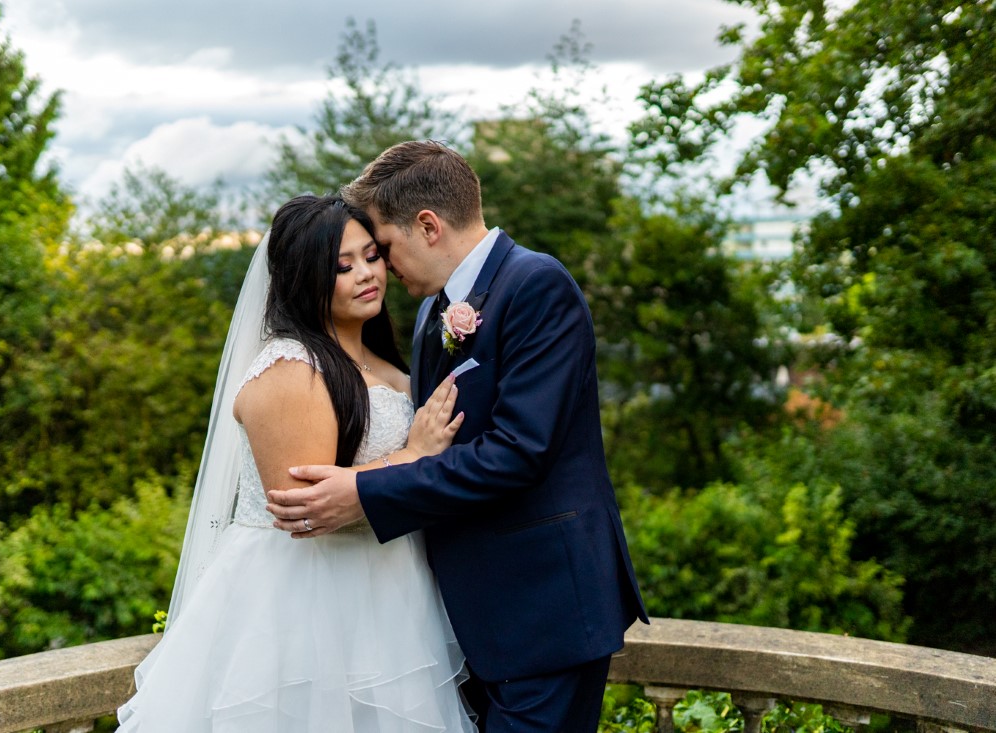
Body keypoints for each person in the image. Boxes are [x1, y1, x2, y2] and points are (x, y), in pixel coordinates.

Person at [266, 141, 650, 732]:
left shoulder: (536, 285)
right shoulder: (431, 315)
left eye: (385, 249)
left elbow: (516, 454)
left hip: (543, 611)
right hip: (465, 624)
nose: (384, 269)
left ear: (428, 225)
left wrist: (367, 491)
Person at [118, 195, 478, 732]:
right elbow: (305, 512)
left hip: (389, 594)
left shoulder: (384, 363)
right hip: (303, 606)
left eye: (371, 256)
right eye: (342, 265)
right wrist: (412, 456)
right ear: (305, 278)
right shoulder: (292, 369)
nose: (365, 274)